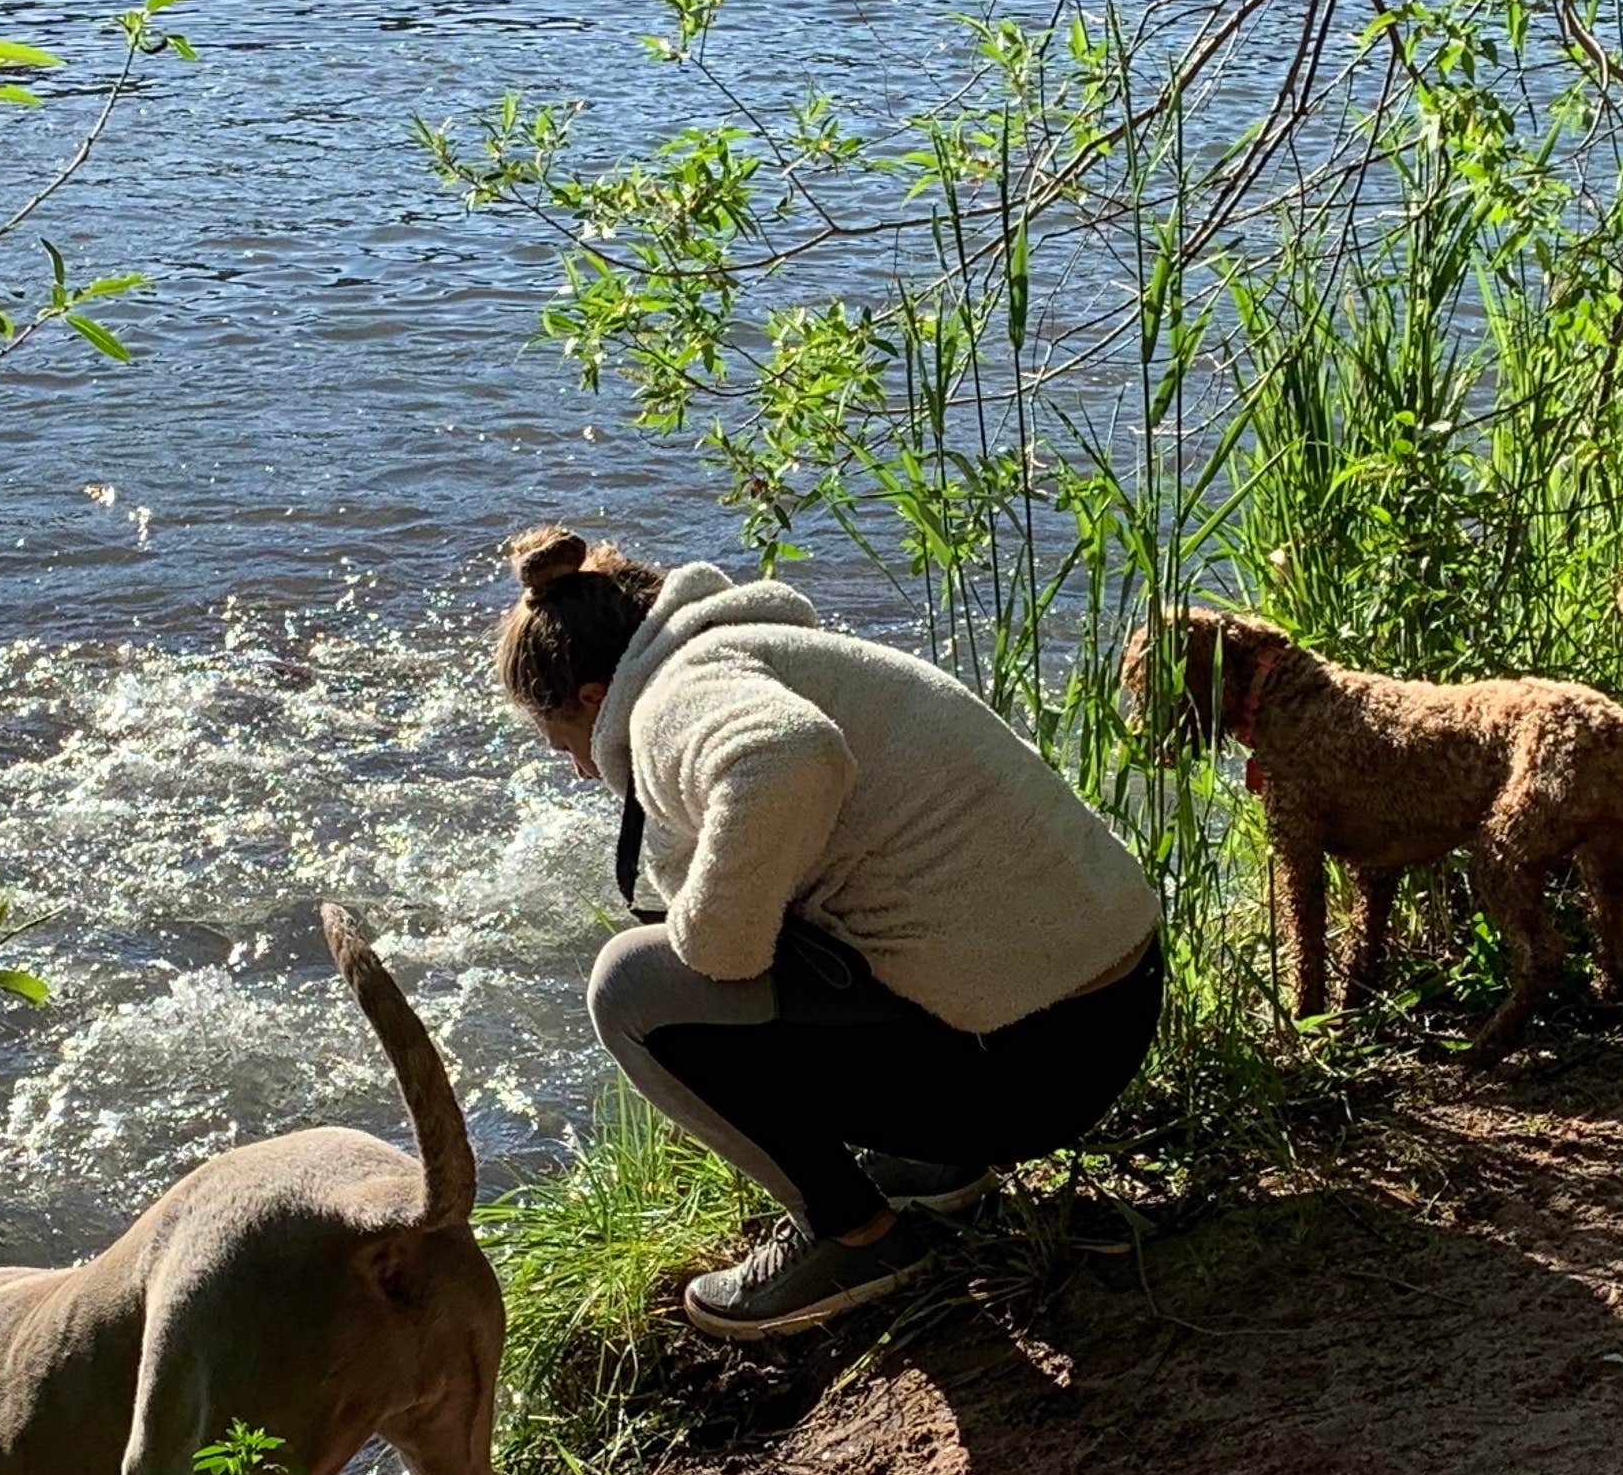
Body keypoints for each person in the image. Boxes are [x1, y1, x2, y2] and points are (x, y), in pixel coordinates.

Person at [493, 525, 1165, 1342]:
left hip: (1036, 1068)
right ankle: (939, 1167)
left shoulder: (671, 699)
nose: (578, 767)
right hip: (1113, 1001)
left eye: (561, 741)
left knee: (631, 986)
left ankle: (854, 1236)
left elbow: (789, 755)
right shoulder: (761, 646)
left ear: (595, 700)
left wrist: (710, 943)